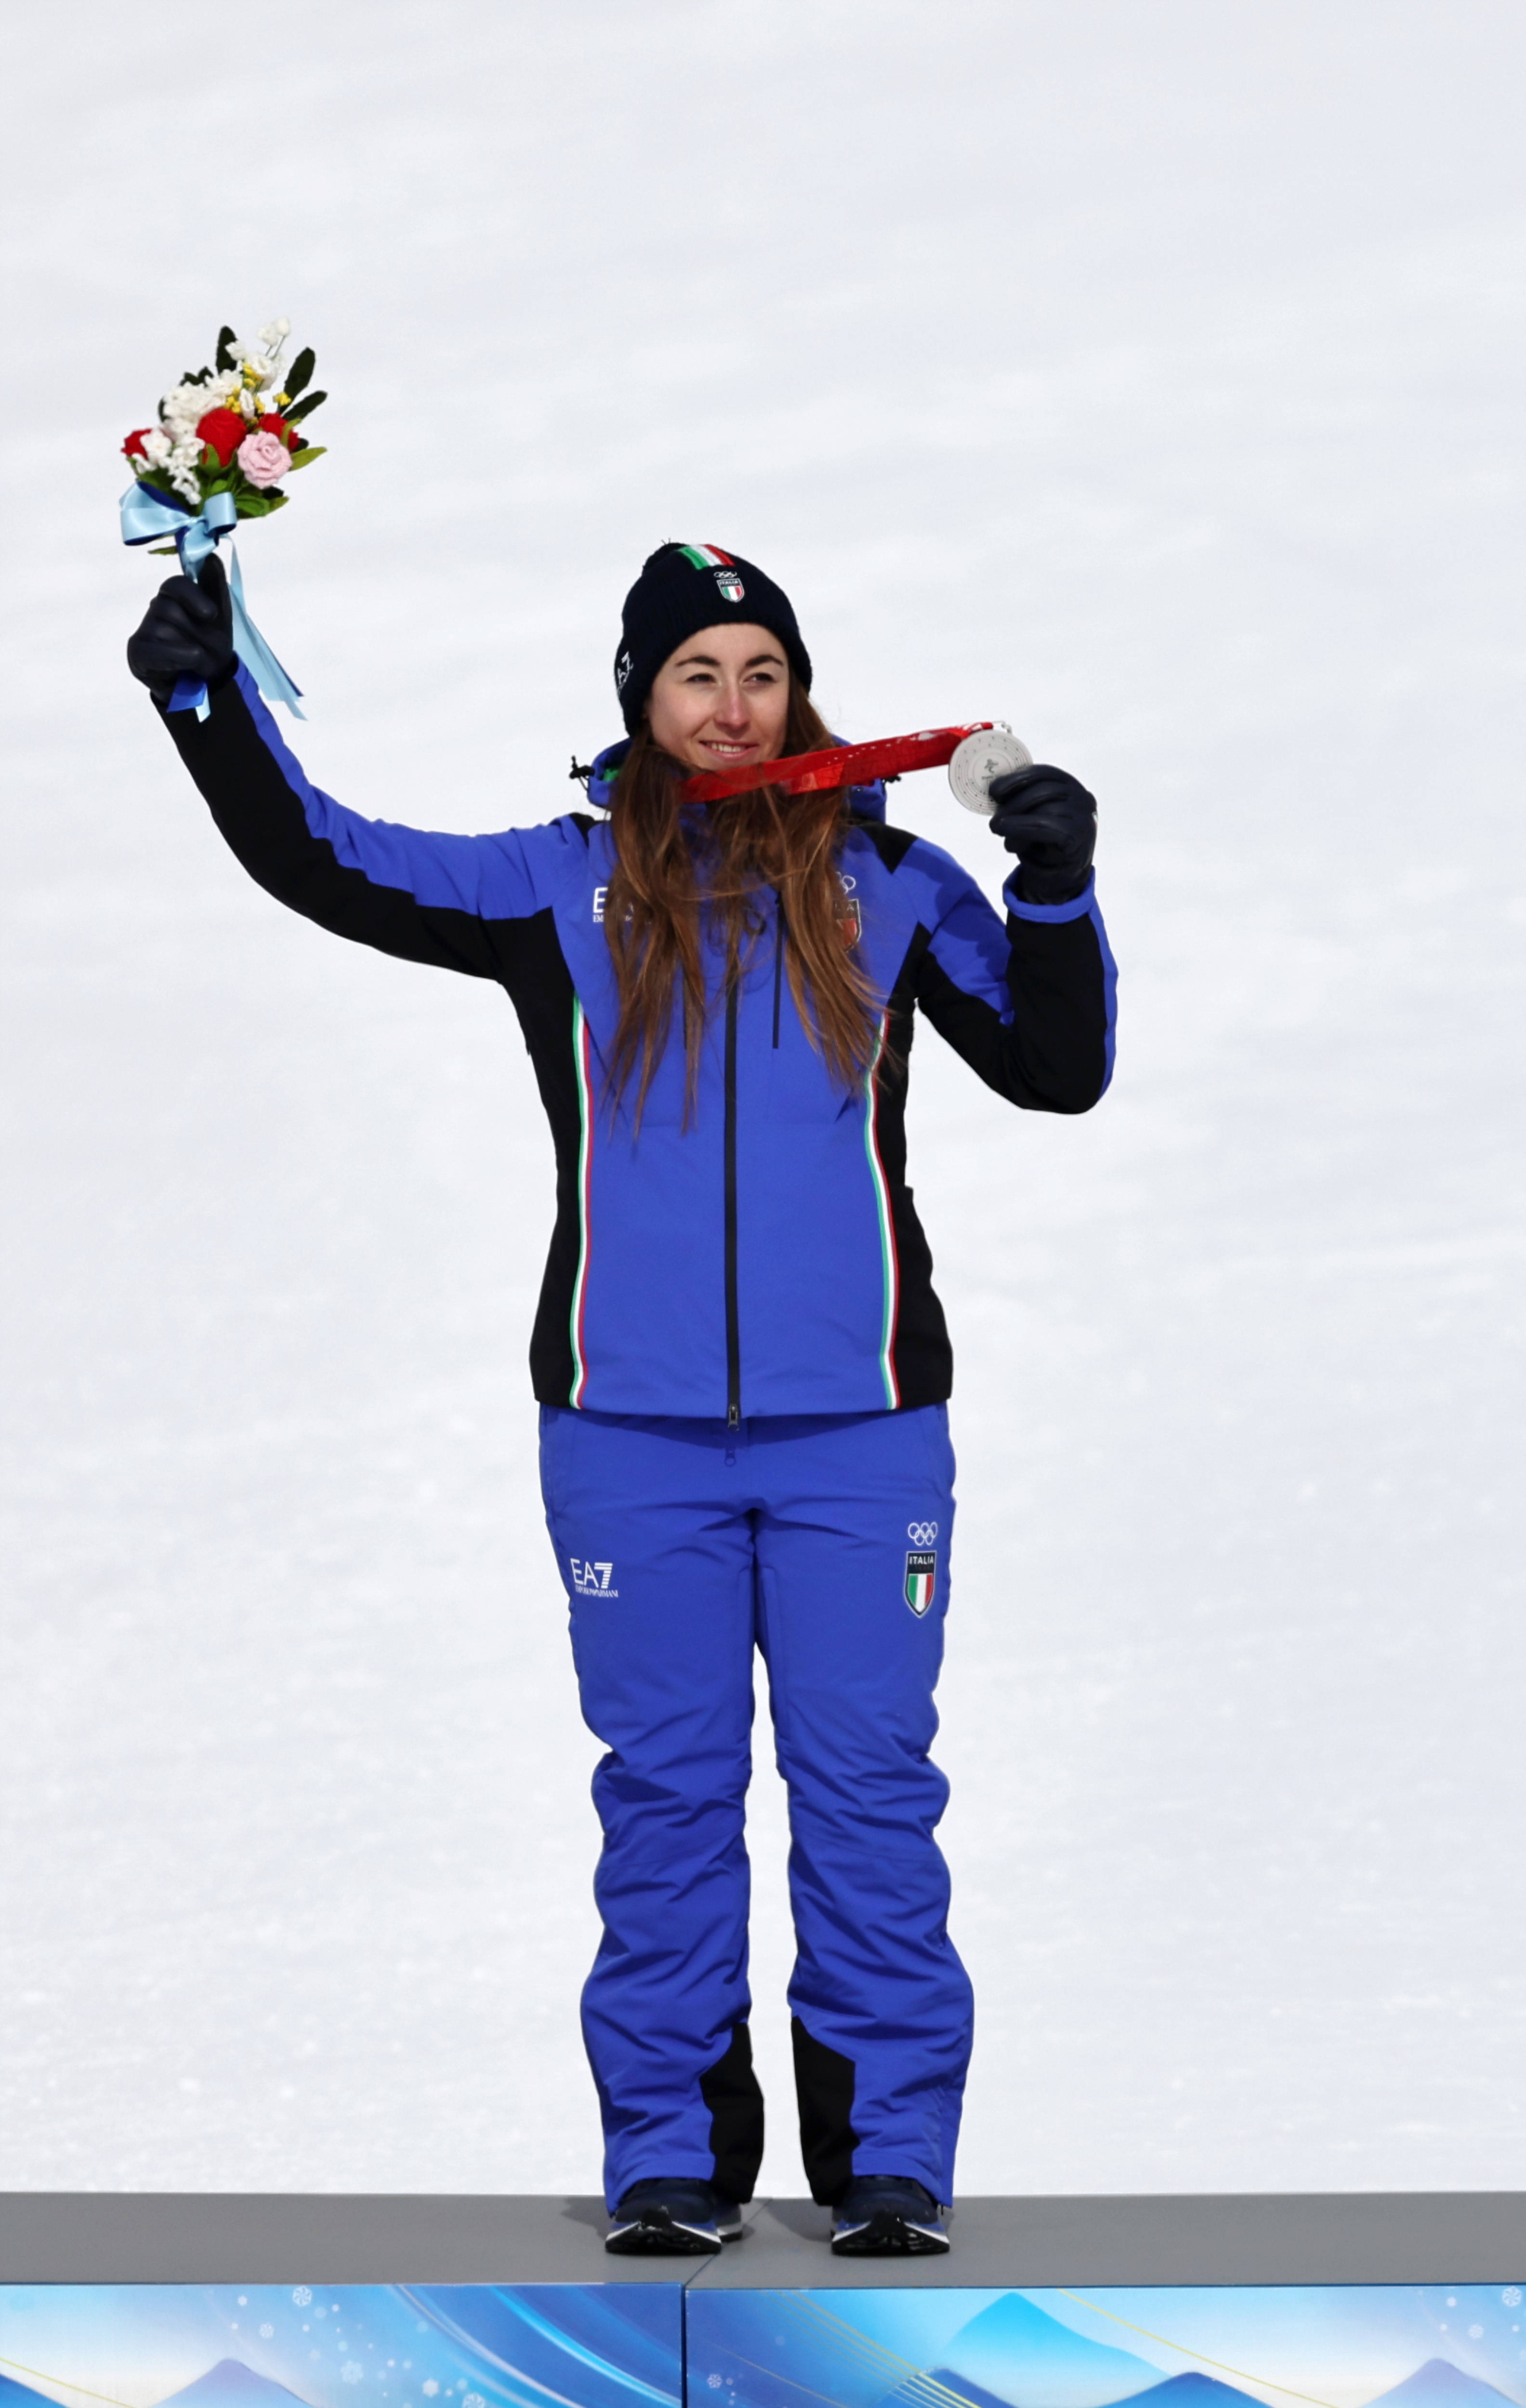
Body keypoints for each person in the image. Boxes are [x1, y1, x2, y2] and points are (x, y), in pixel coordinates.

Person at [127, 539, 1116, 2256]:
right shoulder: (557, 889)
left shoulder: (892, 881)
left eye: (760, 674)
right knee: (663, 1792)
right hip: (626, 1439)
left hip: (860, 1434)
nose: (734, 711)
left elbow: (1060, 1068)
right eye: (696, 678)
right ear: (641, 706)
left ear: (799, 693)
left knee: (867, 1784)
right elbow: (330, 861)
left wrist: (1051, 890)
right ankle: (669, 2149)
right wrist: (208, 704)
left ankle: (890, 2158)